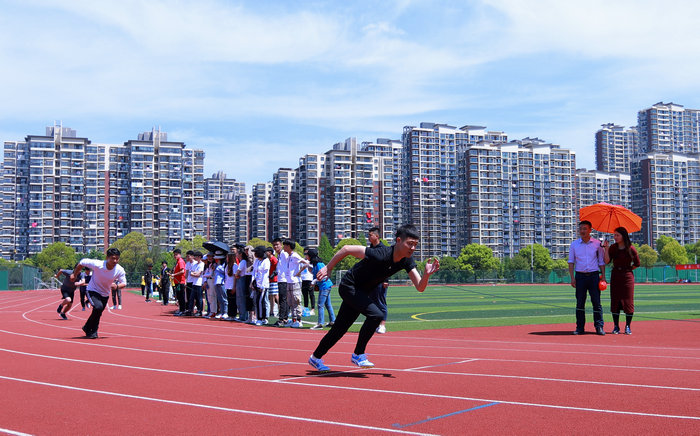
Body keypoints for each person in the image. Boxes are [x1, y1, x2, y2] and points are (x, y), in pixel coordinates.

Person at [308, 224, 440, 372]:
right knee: (376, 314)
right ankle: (358, 354)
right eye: (410, 244)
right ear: (398, 240)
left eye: (415, 245)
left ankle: (315, 357)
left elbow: (420, 287)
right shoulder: (381, 253)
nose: (413, 248)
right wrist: (329, 267)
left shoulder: (407, 260)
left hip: (362, 291)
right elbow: (346, 249)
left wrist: (427, 275)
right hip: (349, 285)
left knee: (340, 328)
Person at [70, 248, 127, 339]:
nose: (115, 261)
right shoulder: (98, 264)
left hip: (105, 293)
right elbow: (82, 262)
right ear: (107, 258)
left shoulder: (119, 270)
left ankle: (88, 328)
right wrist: (74, 274)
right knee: (98, 307)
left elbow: (124, 283)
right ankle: (93, 330)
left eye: (117, 258)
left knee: (98, 312)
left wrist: (116, 286)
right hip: (92, 290)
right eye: (113, 258)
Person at [568, 220, 607, 336]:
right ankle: (580, 327)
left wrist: (603, 276)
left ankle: (599, 326)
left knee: (596, 302)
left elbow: (601, 261)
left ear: (590, 230)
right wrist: (572, 278)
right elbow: (571, 262)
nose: (582, 231)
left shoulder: (597, 244)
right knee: (580, 303)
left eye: (585, 228)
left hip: (594, 276)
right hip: (580, 276)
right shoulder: (574, 244)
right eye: (580, 229)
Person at [602, 227, 641, 334]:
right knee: (615, 302)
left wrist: (628, 269)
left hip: (627, 277)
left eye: (617, 235)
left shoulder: (631, 248)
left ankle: (628, 326)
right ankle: (616, 326)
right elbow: (606, 261)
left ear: (623, 236)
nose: (615, 237)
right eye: (614, 235)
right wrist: (606, 248)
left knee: (628, 302)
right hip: (615, 276)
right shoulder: (613, 248)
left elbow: (637, 263)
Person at [307, 249, 335, 330]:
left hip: (324, 286)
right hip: (325, 286)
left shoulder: (319, 264)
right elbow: (316, 274)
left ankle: (320, 323)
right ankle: (333, 321)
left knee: (320, 305)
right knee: (327, 304)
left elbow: (323, 276)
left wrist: (314, 281)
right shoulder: (316, 264)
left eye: (307, 255)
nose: (306, 256)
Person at [368, 227, 389, 334]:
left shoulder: (383, 249)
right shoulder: (370, 249)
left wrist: (386, 280)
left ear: (377, 236)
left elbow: (387, 265)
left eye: (370, 235)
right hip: (371, 282)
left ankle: (382, 325)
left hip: (381, 282)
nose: (368, 237)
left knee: (381, 303)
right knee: (371, 303)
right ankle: (375, 323)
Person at [283, 240, 304, 328]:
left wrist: (299, 272)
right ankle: (294, 319)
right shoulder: (289, 256)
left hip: (295, 282)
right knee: (290, 302)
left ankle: (299, 321)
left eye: (285, 245)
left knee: (296, 300)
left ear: (289, 246)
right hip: (289, 281)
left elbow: (306, 263)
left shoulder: (295, 255)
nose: (284, 247)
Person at [272, 238, 289, 326]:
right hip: (281, 279)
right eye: (274, 245)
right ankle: (284, 318)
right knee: (283, 299)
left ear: (281, 245)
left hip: (284, 280)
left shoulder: (284, 254)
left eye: (277, 244)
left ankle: (282, 319)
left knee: (282, 300)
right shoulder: (279, 255)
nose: (275, 247)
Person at [252, 246, 270, 325]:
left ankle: (261, 318)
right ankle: (259, 317)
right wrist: (252, 282)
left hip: (263, 285)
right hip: (257, 283)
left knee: (260, 301)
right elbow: (254, 272)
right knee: (257, 301)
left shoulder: (266, 261)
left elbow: (265, 275)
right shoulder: (257, 261)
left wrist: (262, 286)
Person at [186, 251, 204, 316]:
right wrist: (194, 273)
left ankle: (200, 311)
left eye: (196, 256)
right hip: (194, 283)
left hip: (199, 283)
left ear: (199, 257)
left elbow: (198, 274)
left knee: (199, 298)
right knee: (191, 297)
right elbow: (191, 273)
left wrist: (194, 274)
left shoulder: (202, 264)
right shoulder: (195, 264)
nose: (195, 258)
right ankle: (190, 310)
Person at [299, 248, 316, 317]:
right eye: (305, 254)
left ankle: (313, 309)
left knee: (311, 294)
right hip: (303, 279)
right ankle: (306, 308)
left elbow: (312, 269)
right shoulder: (302, 261)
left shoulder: (311, 261)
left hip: (310, 279)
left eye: (307, 254)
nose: (306, 255)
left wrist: (308, 265)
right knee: (305, 295)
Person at [171, 248, 188, 315]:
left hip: (181, 281)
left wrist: (174, 274)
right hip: (177, 281)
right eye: (174, 255)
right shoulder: (177, 262)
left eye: (176, 255)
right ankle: (181, 309)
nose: (175, 256)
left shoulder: (180, 261)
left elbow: (182, 271)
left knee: (181, 297)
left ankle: (182, 310)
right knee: (179, 296)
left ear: (180, 255)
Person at [234, 248, 249, 322]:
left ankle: (243, 316)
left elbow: (237, 272)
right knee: (240, 298)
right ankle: (242, 315)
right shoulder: (242, 261)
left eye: (237, 253)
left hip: (241, 279)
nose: (236, 255)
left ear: (240, 254)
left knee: (241, 298)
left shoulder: (243, 261)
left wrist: (237, 275)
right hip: (242, 279)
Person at [265, 247, 279, 318]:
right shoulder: (268, 259)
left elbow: (277, 267)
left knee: (274, 295)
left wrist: (273, 274)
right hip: (270, 279)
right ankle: (272, 311)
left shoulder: (273, 259)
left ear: (270, 252)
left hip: (274, 279)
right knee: (271, 295)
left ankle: (273, 311)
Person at [225, 251, 238, 319]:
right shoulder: (227, 266)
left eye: (227, 257)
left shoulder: (235, 266)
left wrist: (234, 287)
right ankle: (230, 314)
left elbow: (235, 277)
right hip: (227, 285)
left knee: (233, 301)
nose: (226, 258)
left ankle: (233, 315)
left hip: (232, 286)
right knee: (229, 301)